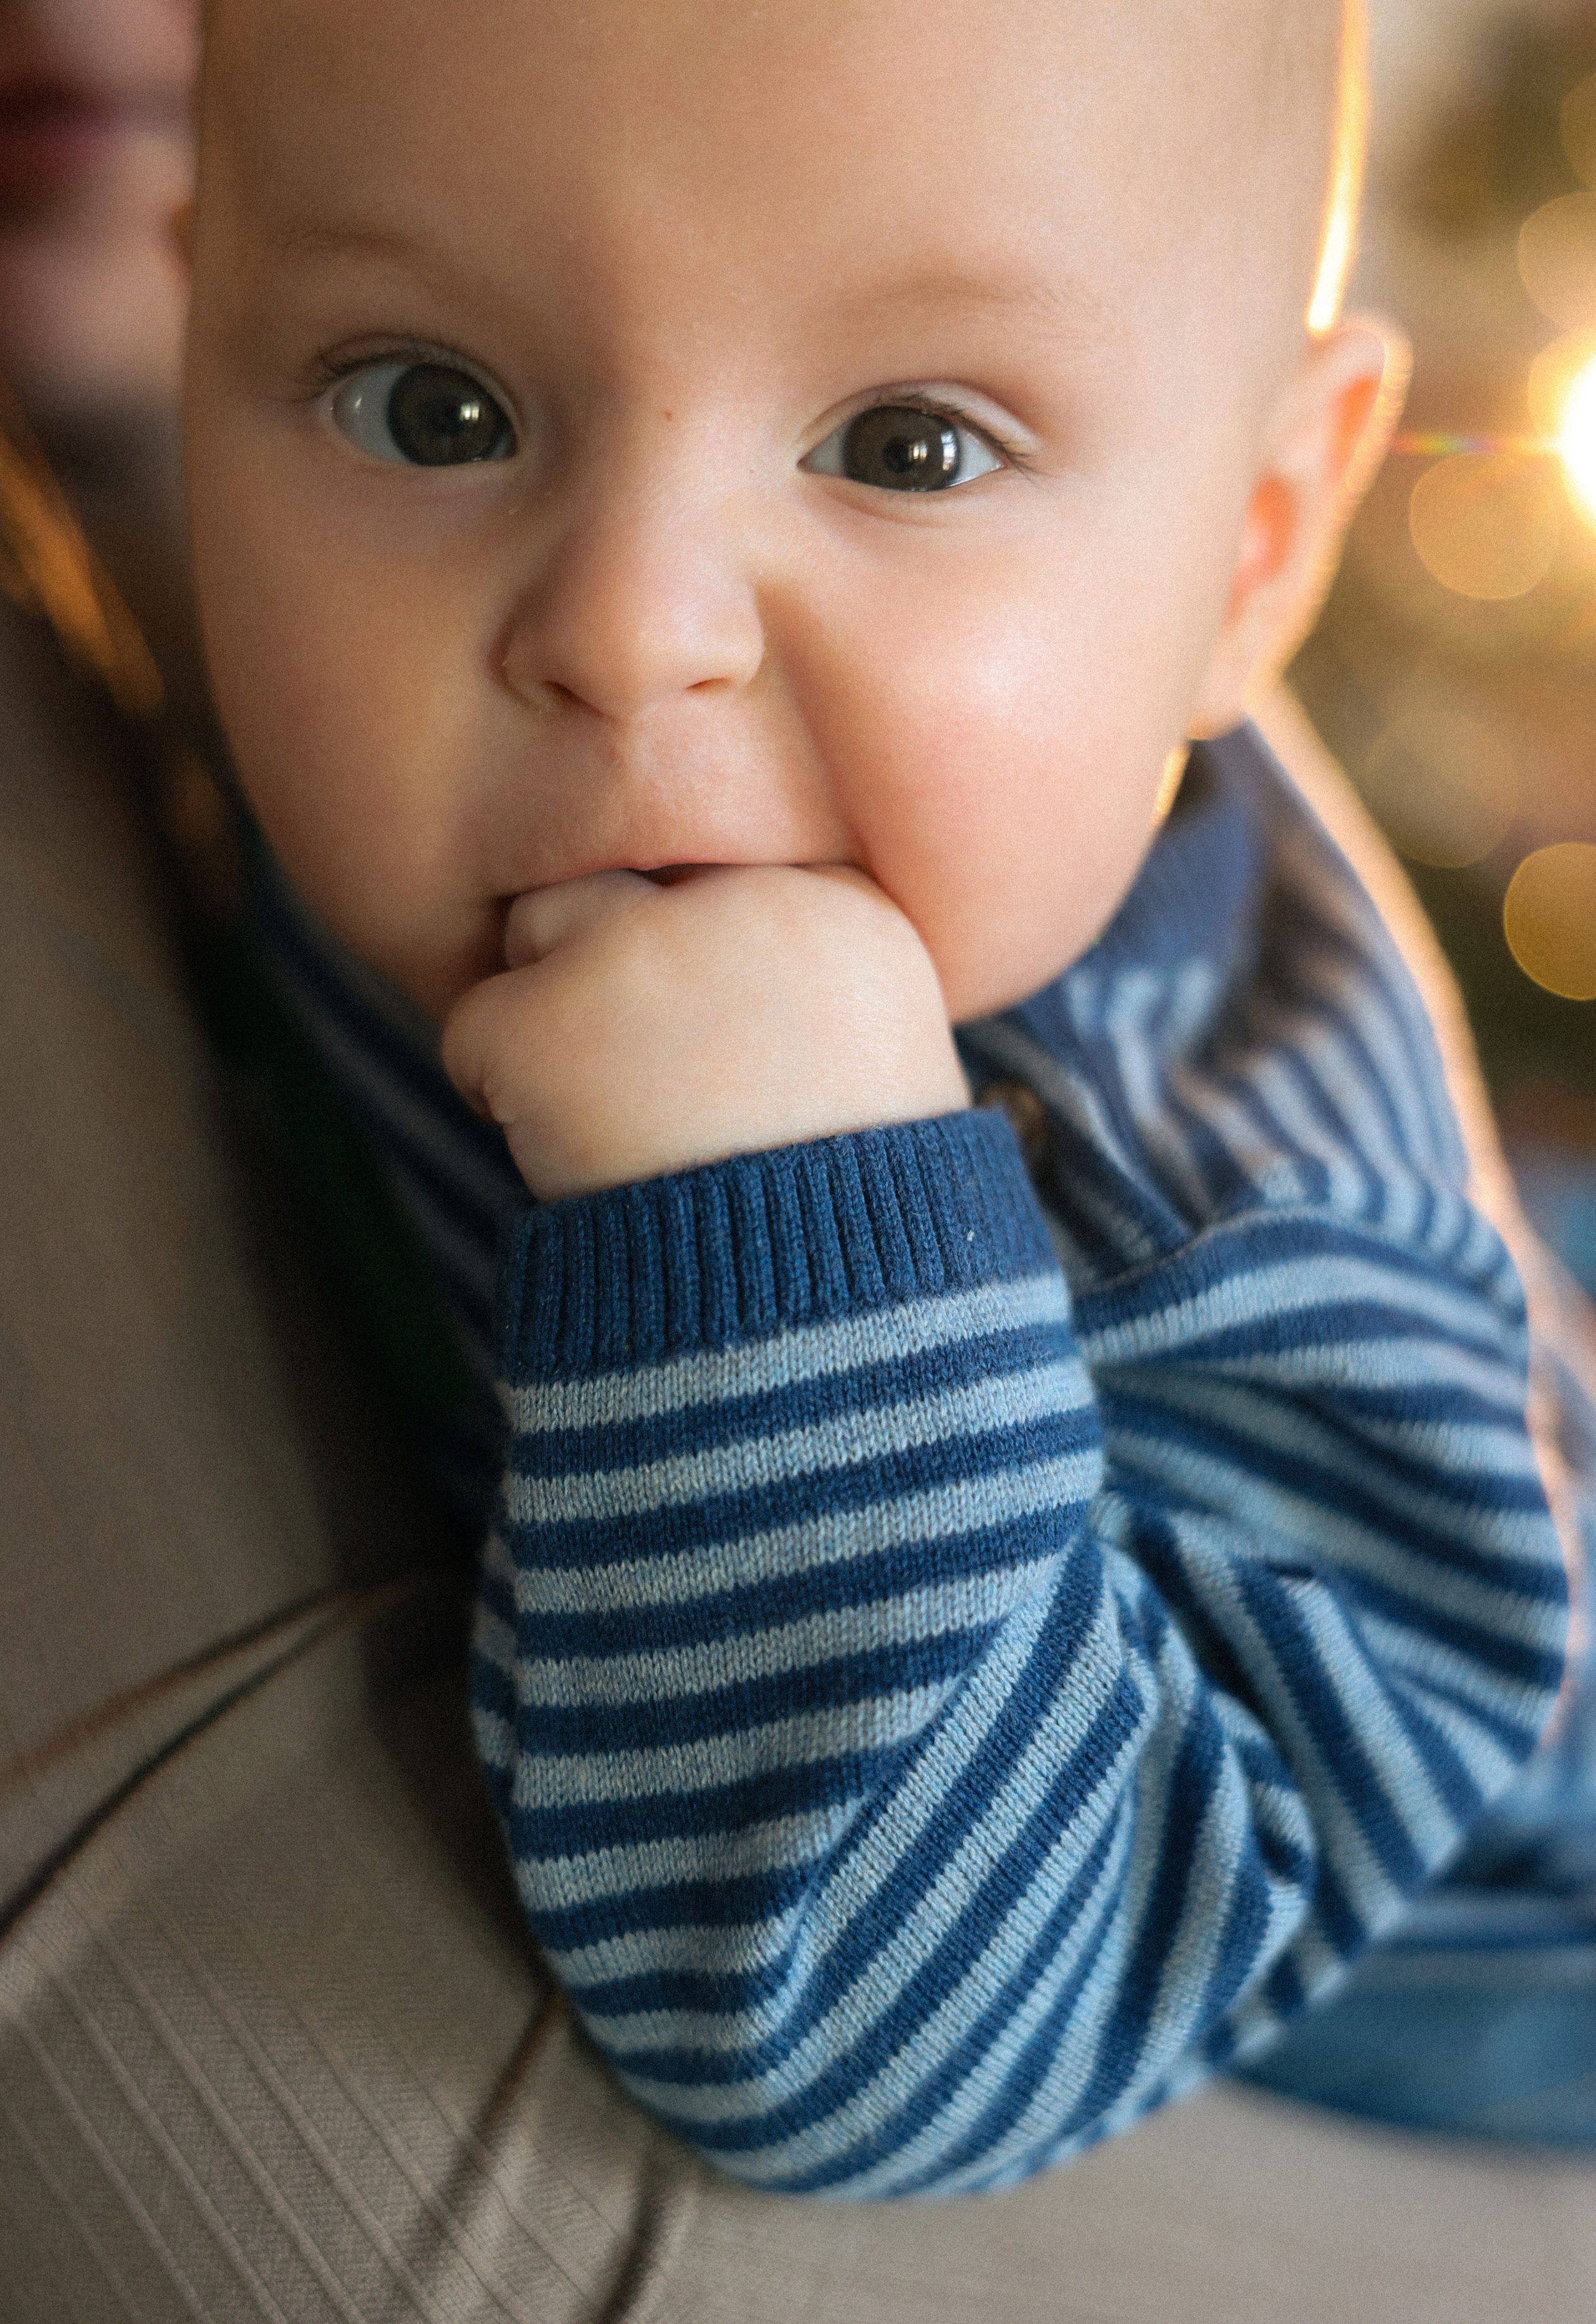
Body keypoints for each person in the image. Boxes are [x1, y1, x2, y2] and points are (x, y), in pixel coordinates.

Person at [176, 0, 1589, 2204]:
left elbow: (894, 2025)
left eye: (911, 446)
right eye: (432, 408)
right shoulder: (458, 742)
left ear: (1253, 547)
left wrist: (783, 1204)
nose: (632, 631)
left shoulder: (1230, 1243)